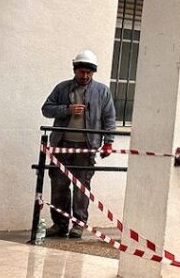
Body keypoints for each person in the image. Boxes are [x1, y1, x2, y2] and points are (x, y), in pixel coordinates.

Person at [41, 50, 117, 238]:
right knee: (59, 185)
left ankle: (78, 224)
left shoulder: (102, 91)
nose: (85, 76)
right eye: (81, 72)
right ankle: (59, 224)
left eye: (88, 73)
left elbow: (109, 118)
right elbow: (46, 109)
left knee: (82, 187)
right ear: (75, 70)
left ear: (93, 73)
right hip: (61, 145)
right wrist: (67, 110)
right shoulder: (62, 88)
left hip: (86, 147)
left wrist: (109, 142)